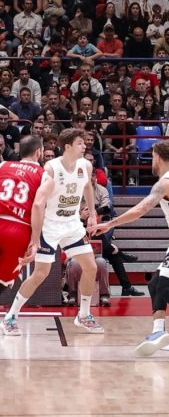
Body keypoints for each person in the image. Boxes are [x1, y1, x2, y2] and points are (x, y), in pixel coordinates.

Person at [90, 140, 169, 356]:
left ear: (157, 156)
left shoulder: (164, 183)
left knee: (165, 286)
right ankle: (158, 331)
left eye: (152, 156)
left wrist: (109, 224)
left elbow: (141, 209)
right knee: (155, 284)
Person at [11, 129, 104, 333]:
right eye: (80, 143)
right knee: (40, 274)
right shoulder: (51, 168)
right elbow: (39, 201)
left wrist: (92, 213)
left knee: (91, 267)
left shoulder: (86, 165)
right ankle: (11, 316)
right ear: (67, 146)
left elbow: (88, 187)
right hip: (50, 225)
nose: (85, 146)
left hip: (72, 224)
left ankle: (84, 315)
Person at [0, 137, 49, 336]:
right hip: (17, 229)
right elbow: (38, 206)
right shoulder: (44, 175)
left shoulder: (3, 165)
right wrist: (35, 240)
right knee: (5, 281)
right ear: (39, 152)